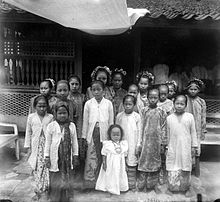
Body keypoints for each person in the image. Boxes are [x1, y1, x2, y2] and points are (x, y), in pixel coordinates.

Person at [44, 101, 79, 202]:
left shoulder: (71, 126)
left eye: (64, 113)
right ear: (55, 114)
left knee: (67, 176)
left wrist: (75, 155)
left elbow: (75, 142)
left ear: (68, 114)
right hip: (55, 156)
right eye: (60, 113)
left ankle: (65, 197)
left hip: (67, 158)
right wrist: (46, 156)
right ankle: (55, 197)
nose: (62, 115)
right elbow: (48, 142)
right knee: (55, 176)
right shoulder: (51, 126)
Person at [82, 80, 114, 190]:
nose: (96, 92)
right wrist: (84, 137)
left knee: (103, 157)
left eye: (98, 89)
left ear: (103, 91)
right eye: (94, 90)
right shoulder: (88, 104)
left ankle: (103, 184)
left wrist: (111, 136)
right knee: (91, 157)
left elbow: (111, 121)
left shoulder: (108, 103)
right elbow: (85, 121)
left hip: (104, 134)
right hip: (92, 134)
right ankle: (90, 183)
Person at [166, 94, 198, 197]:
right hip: (173, 147)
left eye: (182, 104)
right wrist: (166, 147)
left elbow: (193, 132)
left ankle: (186, 188)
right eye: (177, 103)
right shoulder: (169, 118)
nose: (179, 106)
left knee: (185, 167)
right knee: (172, 167)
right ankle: (172, 188)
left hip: (185, 148)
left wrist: (194, 146)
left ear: (185, 105)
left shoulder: (190, 117)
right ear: (173, 104)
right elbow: (167, 134)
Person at [136, 86, 166, 193]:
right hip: (145, 142)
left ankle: (153, 184)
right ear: (147, 98)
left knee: (155, 162)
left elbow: (163, 127)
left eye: (155, 97)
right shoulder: (144, 111)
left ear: (158, 98)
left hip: (156, 143)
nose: (153, 100)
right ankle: (142, 185)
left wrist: (163, 143)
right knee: (144, 162)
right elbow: (141, 127)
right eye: (151, 97)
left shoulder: (161, 111)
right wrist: (139, 142)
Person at [24, 95, 53, 200]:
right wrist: (28, 147)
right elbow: (28, 132)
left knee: (46, 170)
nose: (42, 108)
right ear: (35, 106)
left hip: (46, 148)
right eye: (39, 106)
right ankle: (38, 192)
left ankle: (46, 191)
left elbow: (52, 133)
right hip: (35, 148)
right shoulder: (31, 117)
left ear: (47, 106)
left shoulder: (50, 117)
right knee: (36, 169)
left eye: (44, 106)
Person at [116, 95, 141, 191]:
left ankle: (132, 185)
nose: (127, 106)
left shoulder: (137, 116)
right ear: (123, 104)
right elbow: (116, 130)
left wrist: (138, 144)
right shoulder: (119, 116)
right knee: (122, 164)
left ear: (134, 105)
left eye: (130, 104)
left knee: (131, 163)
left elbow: (139, 131)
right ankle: (122, 186)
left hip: (133, 143)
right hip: (121, 143)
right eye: (126, 104)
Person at [95, 124, 129, 195]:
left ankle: (119, 188)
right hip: (110, 164)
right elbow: (104, 154)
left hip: (120, 164)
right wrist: (104, 163)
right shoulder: (107, 144)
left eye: (118, 135)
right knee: (110, 176)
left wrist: (125, 164)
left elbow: (124, 155)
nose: (116, 137)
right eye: (114, 135)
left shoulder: (123, 144)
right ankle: (109, 189)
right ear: (110, 135)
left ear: (121, 135)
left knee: (119, 175)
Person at [185, 78, 206, 177]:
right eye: (191, 89)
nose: (193, 91)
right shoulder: (185, 99)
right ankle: (186, 169)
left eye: (195, 89)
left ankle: (196, 171)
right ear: (187, 89)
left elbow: (203, 116)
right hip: (186, 128)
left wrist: (203, 130)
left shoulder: (201, 102)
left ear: (199, 90)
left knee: (196, 148)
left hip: (197, 128)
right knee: (186, 147)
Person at [68, 75, 86, 179]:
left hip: (80, 127)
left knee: (80, 154)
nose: (74, 86)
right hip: (69, 128)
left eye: (76, 84)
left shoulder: (83, 97)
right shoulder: (67, 97)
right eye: (72, 84)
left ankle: (79, 179)